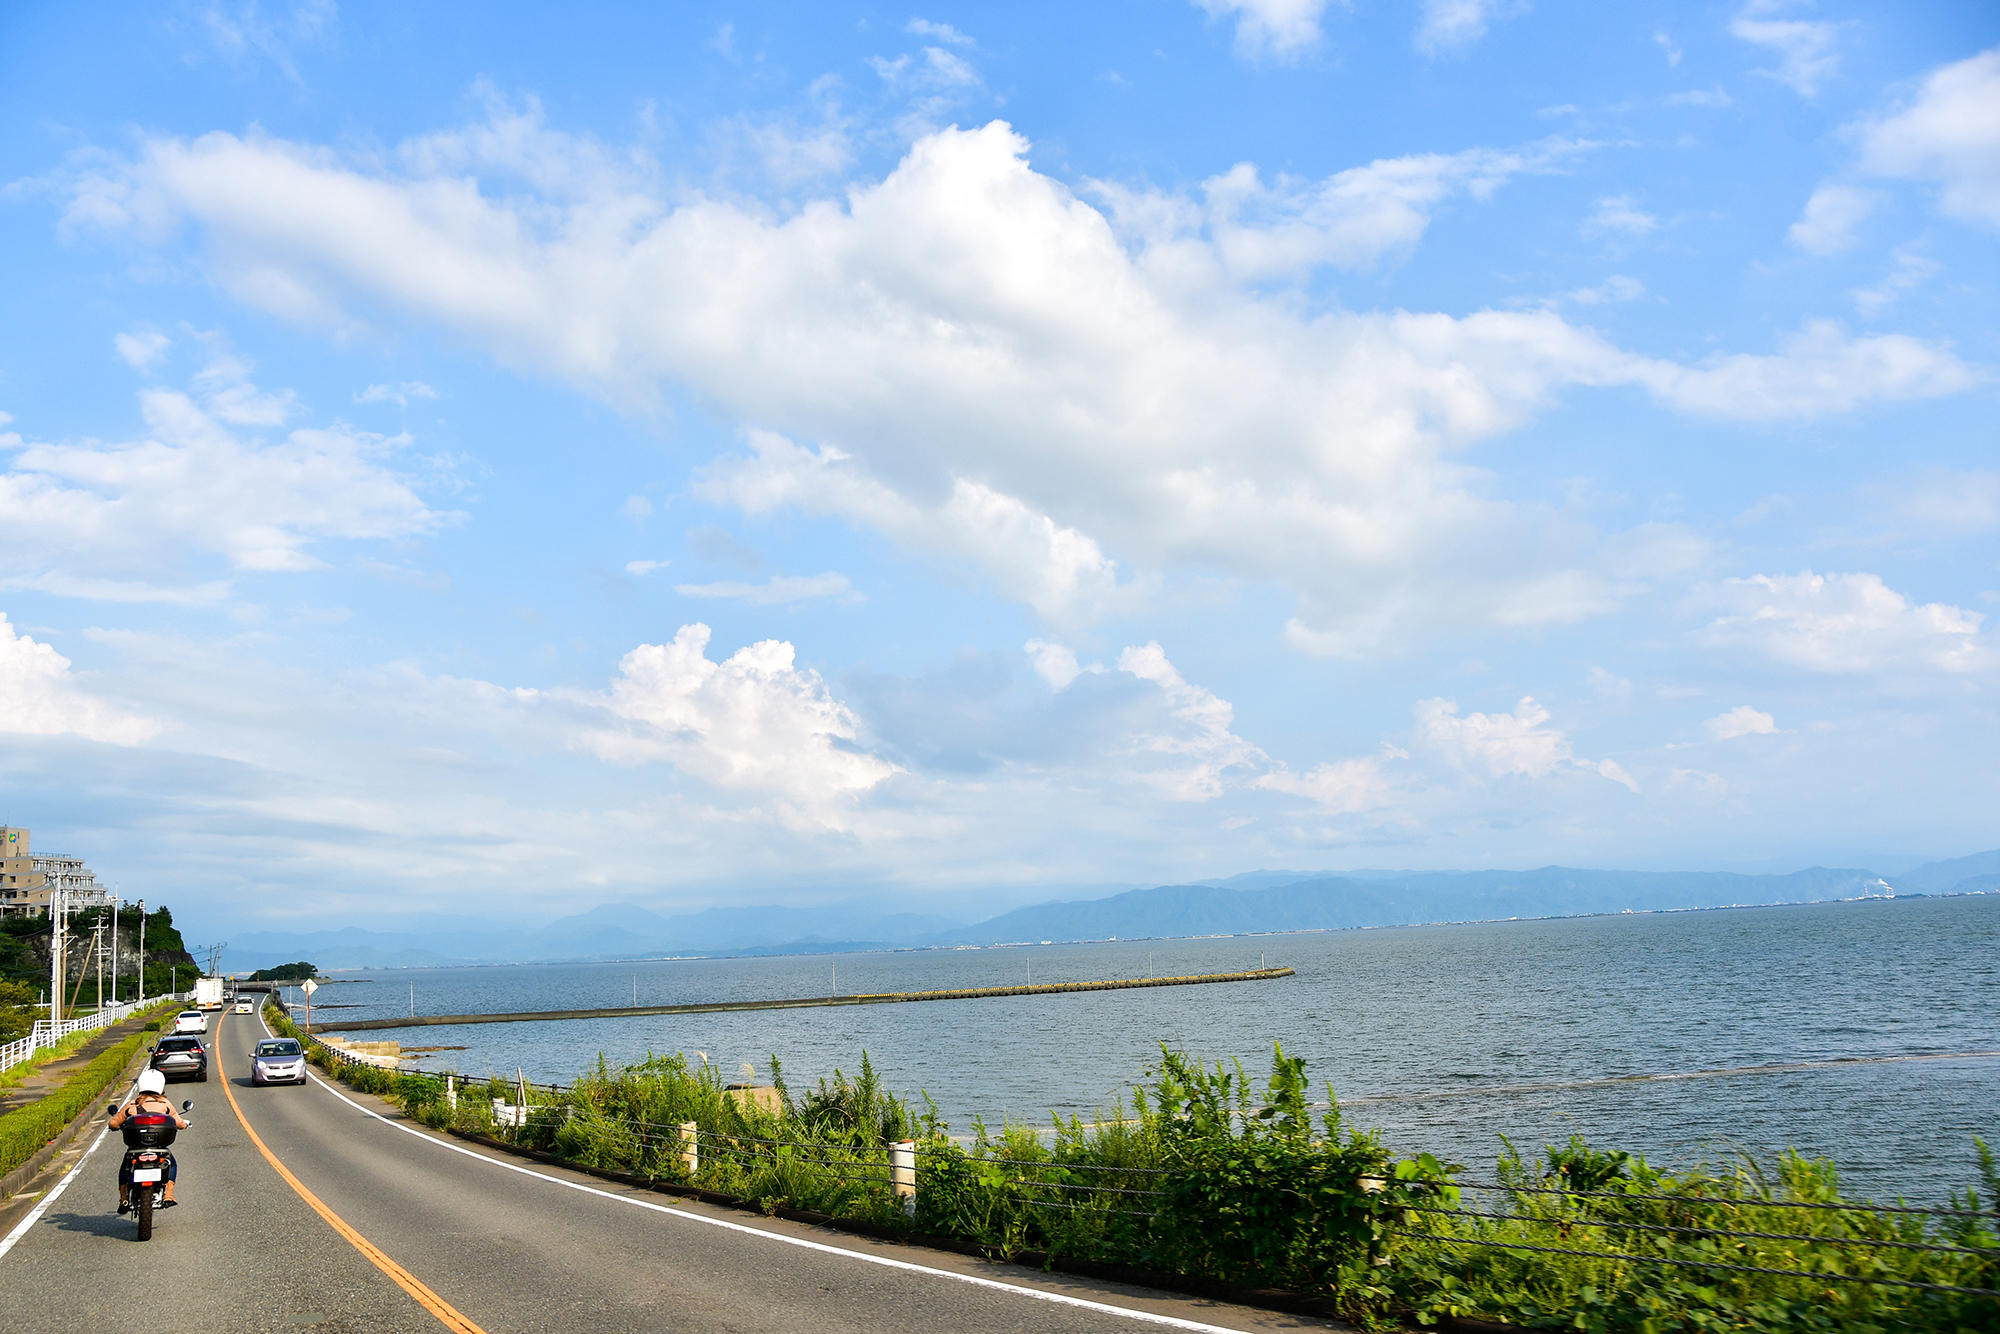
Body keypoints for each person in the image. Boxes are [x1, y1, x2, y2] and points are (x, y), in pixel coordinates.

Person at [109, 1069, 188, 1212]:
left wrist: (117, 1125)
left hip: (135, 1148)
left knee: (125, 1167)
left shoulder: (131, 1105)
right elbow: (179, 1123)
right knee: (172, 1164)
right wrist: (185, 1124)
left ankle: (123, 1198)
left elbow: (113, 1124)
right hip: (159, 1147)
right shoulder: (165, 1104)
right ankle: (168, 1194)